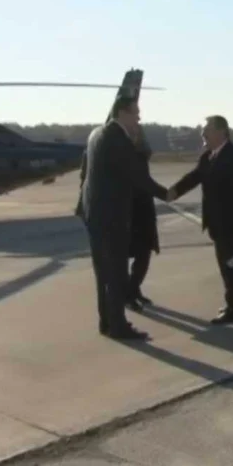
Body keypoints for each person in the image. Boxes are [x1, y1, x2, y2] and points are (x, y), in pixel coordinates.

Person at [79, 96, 169, 340]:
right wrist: (167, 194)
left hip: (94, 215)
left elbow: (85, 174)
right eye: (135, 113)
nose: (138, 118)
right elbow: (138, 176)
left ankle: (106, 322)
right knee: (117, 273)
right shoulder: (118, 139)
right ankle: (118, 327)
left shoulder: (96, 134)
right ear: (121, 113)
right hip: (111, 217)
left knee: (103, 273)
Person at [168, 115, 233, 324]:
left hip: (232, 224)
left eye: (207, 129)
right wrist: (172, 192)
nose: (202, 134)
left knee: (231, 267)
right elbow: (194, 177)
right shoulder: (208, 156)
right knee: (226, 267)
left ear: (221, 132)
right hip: (215, 223)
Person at [126, 125, 161, 310]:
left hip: (143, 210)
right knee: (136, 254)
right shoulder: (127, 156)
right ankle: (129, 293)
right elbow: (144, 182)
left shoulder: (140, 156)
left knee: (143, 255)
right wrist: (167, 193)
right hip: (130, 211)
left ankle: (133, 289)